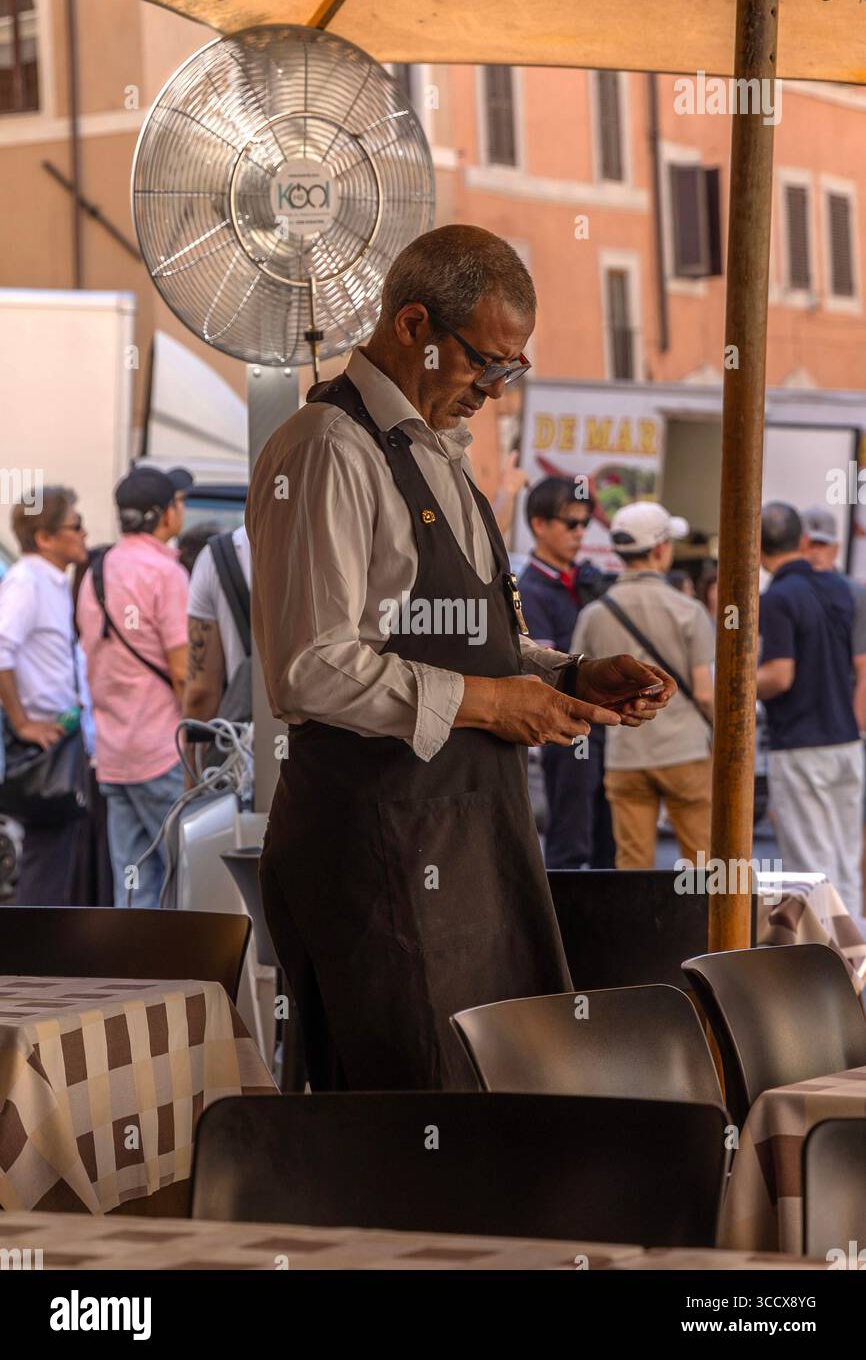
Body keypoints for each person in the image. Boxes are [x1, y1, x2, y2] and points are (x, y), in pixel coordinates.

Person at [247, 223, 675, 1092]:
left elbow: (467, 635)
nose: (494, 390)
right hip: (379, 843)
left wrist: (567, 676)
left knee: (503, 1091)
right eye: (485, 363)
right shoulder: (328, 449)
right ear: (412, 326)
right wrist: (491, 704)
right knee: (414, 1107)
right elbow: (310, 666)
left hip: (472, 835)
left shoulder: (440, 457)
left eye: (511, 369)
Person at [572, 500, 714, 869]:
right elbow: (704, 692)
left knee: (632, 865)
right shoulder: (688, 610)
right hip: (685, 751)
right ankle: (702, 929)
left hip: (625, 755)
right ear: (660, 549)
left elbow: (575, 685)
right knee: (703, 863)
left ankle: (637, 930)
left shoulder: (593, 615)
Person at [77, 466, 191, 908]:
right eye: (178, 503)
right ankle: (177, 972)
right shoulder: (165, 574)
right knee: (181, 878)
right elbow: (182, 671)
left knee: (132, 880)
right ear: (164, 515)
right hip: (161, 749)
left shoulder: (97, 572)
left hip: (113, 751)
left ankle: (131, 973)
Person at [758, 502, 863, 917]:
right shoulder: (841, 589)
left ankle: (833, 973)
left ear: (757, 547)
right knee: (845, 862)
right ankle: (855, 973)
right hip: (846, 742)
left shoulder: (778, 597)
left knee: (810, 869)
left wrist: (734, 684)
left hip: (801, 746)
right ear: (801, 541)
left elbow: (780, 675)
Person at [518, 476, 615, 868]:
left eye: (585, 524)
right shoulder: (531, 589)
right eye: (570, 523)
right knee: (570, 844)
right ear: (539, 524)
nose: (580, 533)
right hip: (570, 730)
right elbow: (547, 668)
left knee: (610, 846)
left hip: (607, 727)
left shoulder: (587, 583)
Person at [0, 488, 90, 905]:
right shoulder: (27, 581)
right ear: (45, 537)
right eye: (76, 525)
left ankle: (39, 954)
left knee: (55, 858)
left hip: (63, 739)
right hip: (42, 746)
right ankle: (27, 959)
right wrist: (22, 722)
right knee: (43, 860)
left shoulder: (49, 580)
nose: (85, 532)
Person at [182, 523, 251, 762]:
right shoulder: (344, 541)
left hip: (247, 751)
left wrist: (192, 778)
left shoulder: (219, 556)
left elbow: (201, 692)